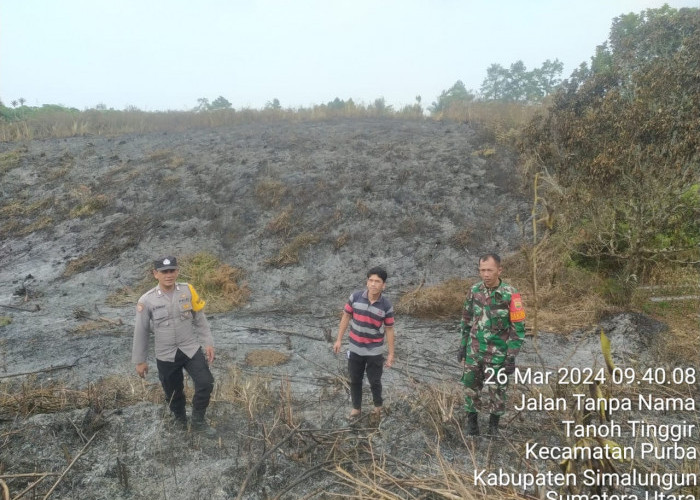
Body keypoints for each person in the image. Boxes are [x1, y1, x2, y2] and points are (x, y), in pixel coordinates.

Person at [132, 256, 216, 435]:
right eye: (164, 272)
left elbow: (199, 319)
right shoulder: (146, 300)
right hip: (166, 354)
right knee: (173, 393)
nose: (168, 275)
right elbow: (141, 331)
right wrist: (140, 360)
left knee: (206, 382)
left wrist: (208, 342)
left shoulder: (188, 290)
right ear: (156, 274)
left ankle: (198, 421)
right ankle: (180, 421)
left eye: (172, 271)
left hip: (190, 348)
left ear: (177, 271)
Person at [458, 253, 525, 436]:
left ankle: (493, 428)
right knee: (471, 387)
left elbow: (518, 328)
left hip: (498, 354)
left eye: (489, 270)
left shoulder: (511, 294)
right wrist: (463, 345)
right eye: (482, 270)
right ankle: (472, 426)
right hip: (475, 350)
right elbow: (466, 318)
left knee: (497, 391)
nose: (485, 274)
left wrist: (511, 356)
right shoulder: (474, 290)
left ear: (499, 270)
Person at [333, 267, 396, 421]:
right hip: (355, 348)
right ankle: (356, 408)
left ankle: (377, 406)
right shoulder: (355, 298)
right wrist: (339, 339)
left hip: (374, 351)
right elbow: (346, 317)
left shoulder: (386, 306)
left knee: (375, 381)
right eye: (371, 280)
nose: (373, 284)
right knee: (355, 379)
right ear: (367, 282)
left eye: (377, 281)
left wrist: (391, 354)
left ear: (383, 285)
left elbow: (389, 329)